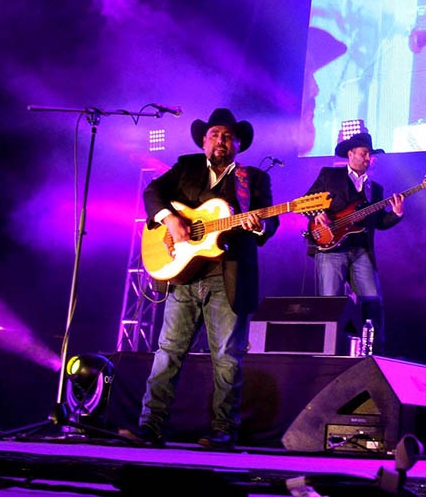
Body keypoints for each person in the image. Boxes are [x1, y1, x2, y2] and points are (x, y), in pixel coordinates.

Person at [122, 108, 279, 448]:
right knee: (168, 352)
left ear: (238, 143)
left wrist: (260, 225)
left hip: (229, 277)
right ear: (204, 140)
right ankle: (150, 427)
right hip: (183, 276)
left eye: (227, 136)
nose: (220, 141)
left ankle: (223, 431)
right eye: (214, 135)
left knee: (226, 358)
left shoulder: (253, 179)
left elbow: (272, 220)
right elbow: (153, 193)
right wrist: (170, 220)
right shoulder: (187, 166)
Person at [306, 131, 404, 355]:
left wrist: (396, 214)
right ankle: (328, 354)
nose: (368, 159)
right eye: (364, 153)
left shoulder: (375, 189)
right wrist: (317, 215)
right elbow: (306, 201)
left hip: (361, 251)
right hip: (331, 248)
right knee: (330, 304)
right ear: (350, 154)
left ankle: (374, 352)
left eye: (369, 155)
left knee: (372, 301)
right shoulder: (330, 175)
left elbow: (379, 222)